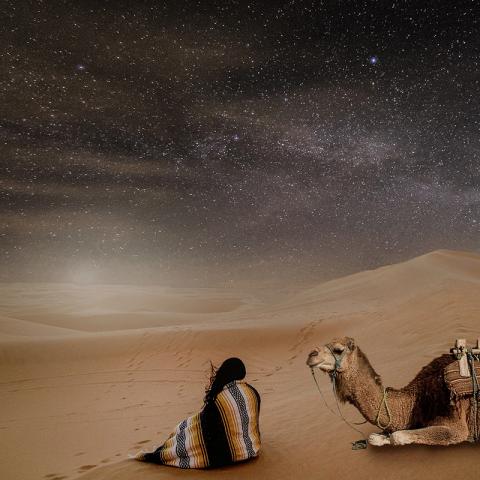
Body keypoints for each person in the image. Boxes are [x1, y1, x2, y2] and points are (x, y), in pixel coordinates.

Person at [133, 357, 261, 468]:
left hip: (226, 458)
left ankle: (165, 451)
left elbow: (207, 428)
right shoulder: (253, 392)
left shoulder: (220, 397)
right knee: (190, 425)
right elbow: (252, 425)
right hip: (250, 450)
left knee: (185, 430)